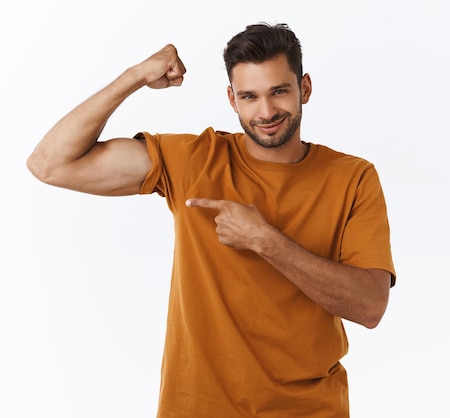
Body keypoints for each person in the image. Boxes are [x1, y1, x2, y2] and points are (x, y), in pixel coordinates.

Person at [27, 22, 396, 418]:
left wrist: (265, 240)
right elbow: (49, 164)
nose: (266, 111)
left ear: (304, 88)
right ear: (232, 100)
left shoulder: (353, 178)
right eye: (249, 96)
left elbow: (370, 306)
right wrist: (134, 76)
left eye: (279, 91)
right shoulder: (194, 159)